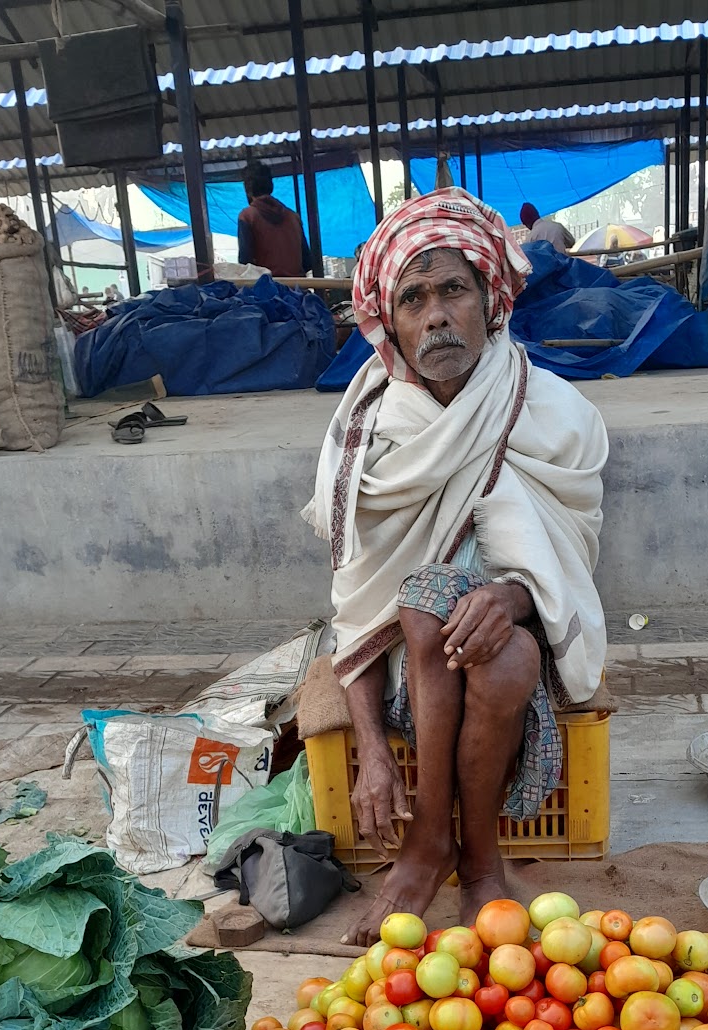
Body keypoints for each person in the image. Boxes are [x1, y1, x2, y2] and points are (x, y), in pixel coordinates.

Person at [304, 189, 608, 945]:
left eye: (453, 291)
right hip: (414, 681)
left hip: (513, 681)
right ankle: (439, 848)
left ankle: (470, 860)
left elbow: (567, 566)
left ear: (490, 302)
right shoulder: (369, 441)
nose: (436, 316)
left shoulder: (555, 414)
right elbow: (357, 613)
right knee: (418, 604)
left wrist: (511, 597)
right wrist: (372, 750)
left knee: (503, 665)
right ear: (393, 328)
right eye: (413, 299)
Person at [238, 166, 312, 277]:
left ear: (247, 190)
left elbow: (245, 262)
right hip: (298, 290)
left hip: (267, 290)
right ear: (271, 185)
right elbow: (308, 262)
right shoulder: (293, 217)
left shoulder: (247, 216)